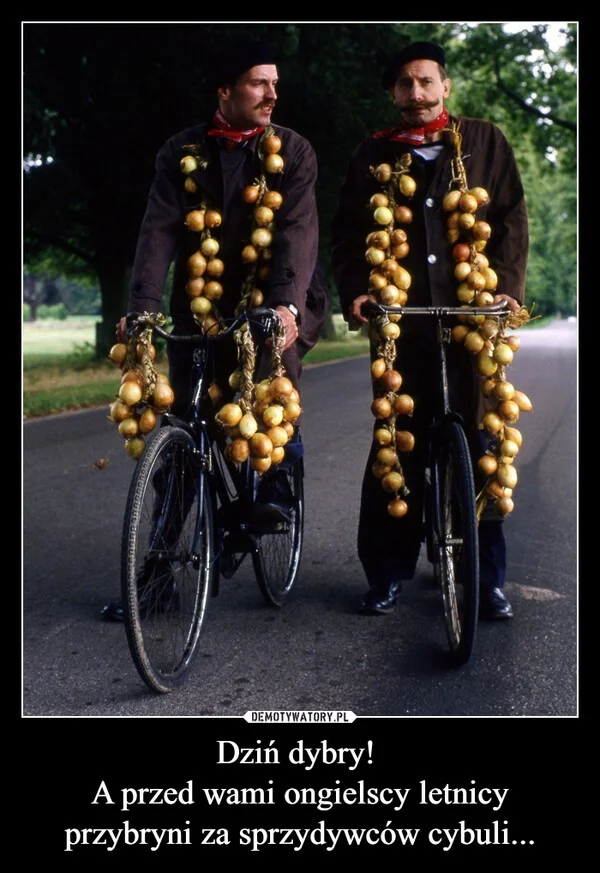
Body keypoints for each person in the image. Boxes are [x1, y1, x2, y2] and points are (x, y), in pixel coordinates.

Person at [101, 38, 328, 621]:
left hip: (279, 298)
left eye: (275, 83)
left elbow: (297, 232)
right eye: (259, 83)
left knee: (274, 399)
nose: (273, 93)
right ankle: (156, 573)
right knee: (181, 429)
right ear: (225, 91)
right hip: (200, 307)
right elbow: (157, 233)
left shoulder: (294, 151)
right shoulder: (181, 152)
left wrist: (284, 306)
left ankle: (274, 496)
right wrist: (143, 306)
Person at [331, 41, 528, 620]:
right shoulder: (374, 154)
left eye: (426, 82)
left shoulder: (484, 141)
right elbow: (346, 231)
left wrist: (507, 289)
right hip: (401, 324)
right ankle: (388, 573)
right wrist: (357, 292)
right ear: (393, 94)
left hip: (474, 320)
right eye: (405, 85)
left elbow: (511, 215)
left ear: (444, 87)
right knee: (395, 443)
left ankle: (485, 579)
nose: (416, 94)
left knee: (482, 444)